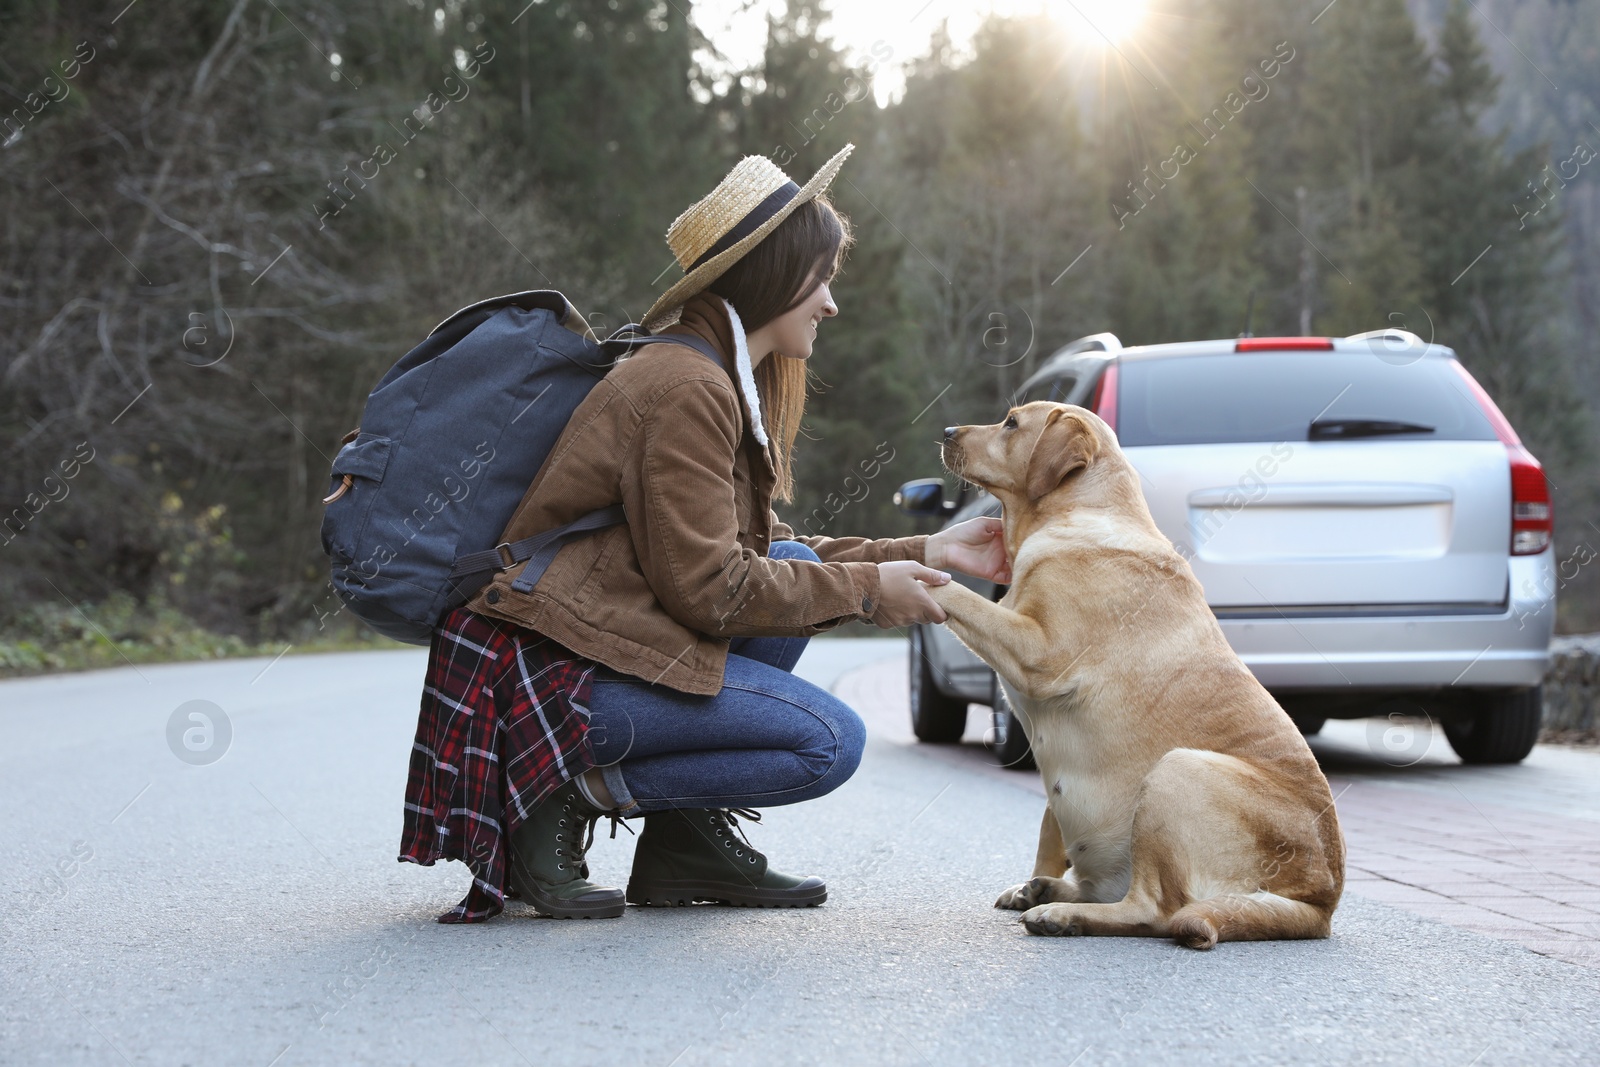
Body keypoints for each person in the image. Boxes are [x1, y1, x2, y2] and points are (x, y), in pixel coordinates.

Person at [399, 144, 1012, 922]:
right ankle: (561, 789)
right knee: (828, 742)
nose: (830, 303)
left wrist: (923, 552)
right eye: (820, 279)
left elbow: (762, 555)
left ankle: (683, 841)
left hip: (580, 655)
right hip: (547, 686)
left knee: (787, 561)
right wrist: (867, 594)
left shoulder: (707, 375)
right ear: (776, 275)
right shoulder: (686, 386)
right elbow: (714, 590)